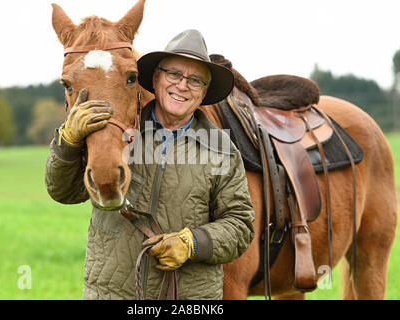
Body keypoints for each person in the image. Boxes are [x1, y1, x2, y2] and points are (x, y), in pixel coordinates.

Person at [45, 29, 255, 300]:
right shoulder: (114, 132)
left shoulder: (222, 151)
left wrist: (191, 243)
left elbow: (240, 225)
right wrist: (68, 141)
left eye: (195, 80)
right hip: (111, 293)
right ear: (155, 79)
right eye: (174, 74)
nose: (182, 86)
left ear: (204, 92)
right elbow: (63, 191)